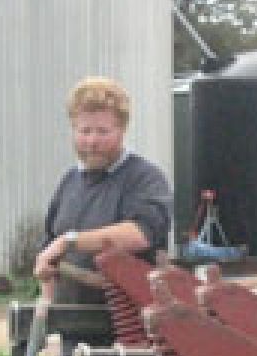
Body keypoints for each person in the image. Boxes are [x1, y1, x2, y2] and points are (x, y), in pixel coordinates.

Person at [34, 76, 172, 302]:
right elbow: (48, 256)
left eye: (102, 131)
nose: (92, 141)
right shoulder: (68, 182)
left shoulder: (145, 179)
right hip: (70, 323)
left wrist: (69, 241)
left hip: (127, 327)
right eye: (84, 131)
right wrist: (46, 304)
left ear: (122, 130)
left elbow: (141, 234)